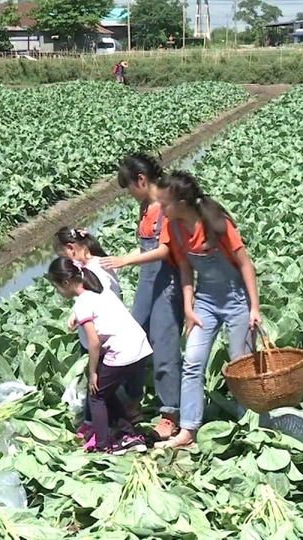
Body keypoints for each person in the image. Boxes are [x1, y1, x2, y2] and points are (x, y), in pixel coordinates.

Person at [150, 171, 261, 450]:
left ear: (182, 203)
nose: (162, 210)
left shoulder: (217, 225)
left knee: (240, 365)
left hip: (237, 300)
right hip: (205, 302)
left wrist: (254, 309)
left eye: (165, 204)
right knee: (193, 363)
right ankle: (188, 430)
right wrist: (189, 307)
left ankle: (248, 426)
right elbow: (186, 268)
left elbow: (246, 265)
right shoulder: (174, 228)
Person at [99, 153, 184, 441]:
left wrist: (125, 261)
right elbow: (144, 248)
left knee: (164, 346)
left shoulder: (167, 207)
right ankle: (133, 399)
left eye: (129, 188)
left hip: (167, 282)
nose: (130, 195)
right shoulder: (146, 207)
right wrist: (116, 259)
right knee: (133, 337)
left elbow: (165, 251)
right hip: (148, 281)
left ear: (141, 180)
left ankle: (170, 414)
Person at [47, 257, 150, 455]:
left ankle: (104, 445)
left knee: (96, 395)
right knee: (106, 391)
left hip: (123, 352)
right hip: (140, 347)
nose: (58, 292)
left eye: (57, 286)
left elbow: (94, 342)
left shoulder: (82, 303)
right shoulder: (101, 293)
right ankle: (128, 436)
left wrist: (93, 371)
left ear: (66, 282)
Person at [53, 226, 125, 446]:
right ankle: (101, 424)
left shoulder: (97, 269)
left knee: (98, 388)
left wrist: (80, 314)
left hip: (101, 340)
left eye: (62, 256)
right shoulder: (89, 267)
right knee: (97, 386)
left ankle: (102, 435)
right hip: (96, 338)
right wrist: (76, 313)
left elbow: (102, 301)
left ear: (71, 248)